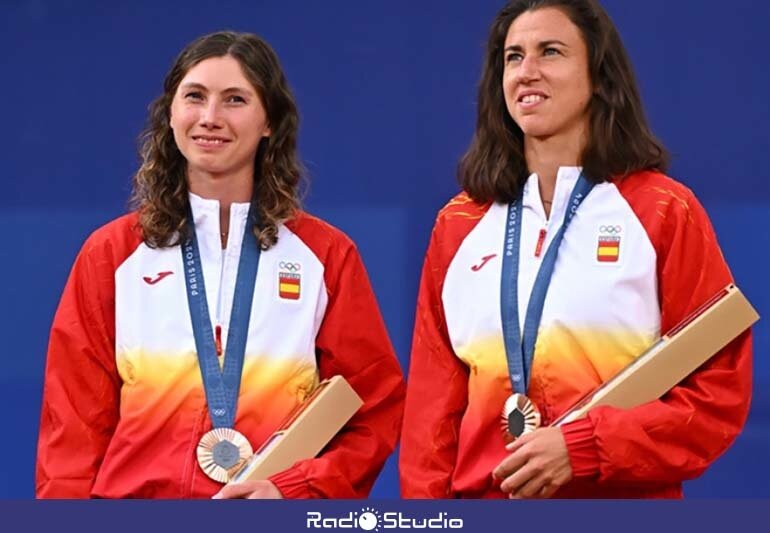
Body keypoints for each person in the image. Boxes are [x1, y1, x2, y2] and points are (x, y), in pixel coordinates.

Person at [399, 0, 752, 499]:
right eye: (513, 56)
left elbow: (716, 396)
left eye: (551, 52)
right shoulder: (458, 223)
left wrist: (584, 447)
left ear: (600, 78)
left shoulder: (664, 212)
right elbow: (430, 418)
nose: (527, 72)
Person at [36, 31, 405, 499]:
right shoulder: (111, 254)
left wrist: (293, 490)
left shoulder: (325, 256)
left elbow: (371, 407)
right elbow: (71, 425)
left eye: (235, 100)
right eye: (194, 97)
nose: (210, 118)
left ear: (269, 120)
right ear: (171, 114)